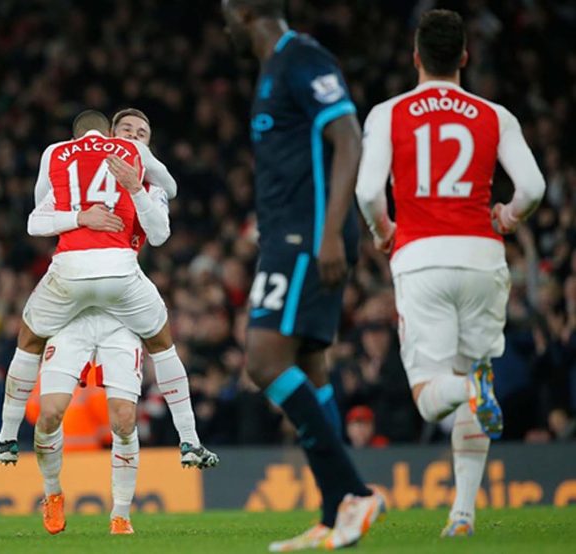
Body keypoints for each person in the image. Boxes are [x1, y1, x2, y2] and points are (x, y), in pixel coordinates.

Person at [355, 9, 545, 538]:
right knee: (472, 371)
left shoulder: (389, 113)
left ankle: (469, 390)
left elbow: (369, 192)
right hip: (483, 258)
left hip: (421, 257)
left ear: (416, 57)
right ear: (465, 57)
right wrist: (507, 216)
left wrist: (381, 230)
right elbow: (532, 188)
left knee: (434, 394)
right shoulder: (494, 115)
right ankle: (462, 514)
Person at [222, 0, 385, 550]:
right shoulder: (272, 68)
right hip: (291, 238)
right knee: (311, 369)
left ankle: (355, 492)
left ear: (245, 11)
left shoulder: (301, 58)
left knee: (265, 361)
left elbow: (349, 138)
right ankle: (335, 510)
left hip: (304, 240)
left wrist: (330, 232)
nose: (222, 18)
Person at [0, 110, 218, 469]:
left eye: (142, 132)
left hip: (105, 295)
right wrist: (81, 215)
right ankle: (15, 444)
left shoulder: (144, 182)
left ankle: (10, 440)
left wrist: (135, 187)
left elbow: (160, 229)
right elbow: (43, 211)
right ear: (110, 134)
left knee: (123, 415)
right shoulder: (120, 156)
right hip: (101, 289)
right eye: (127, 130)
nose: (134, 137)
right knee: (56, 405)